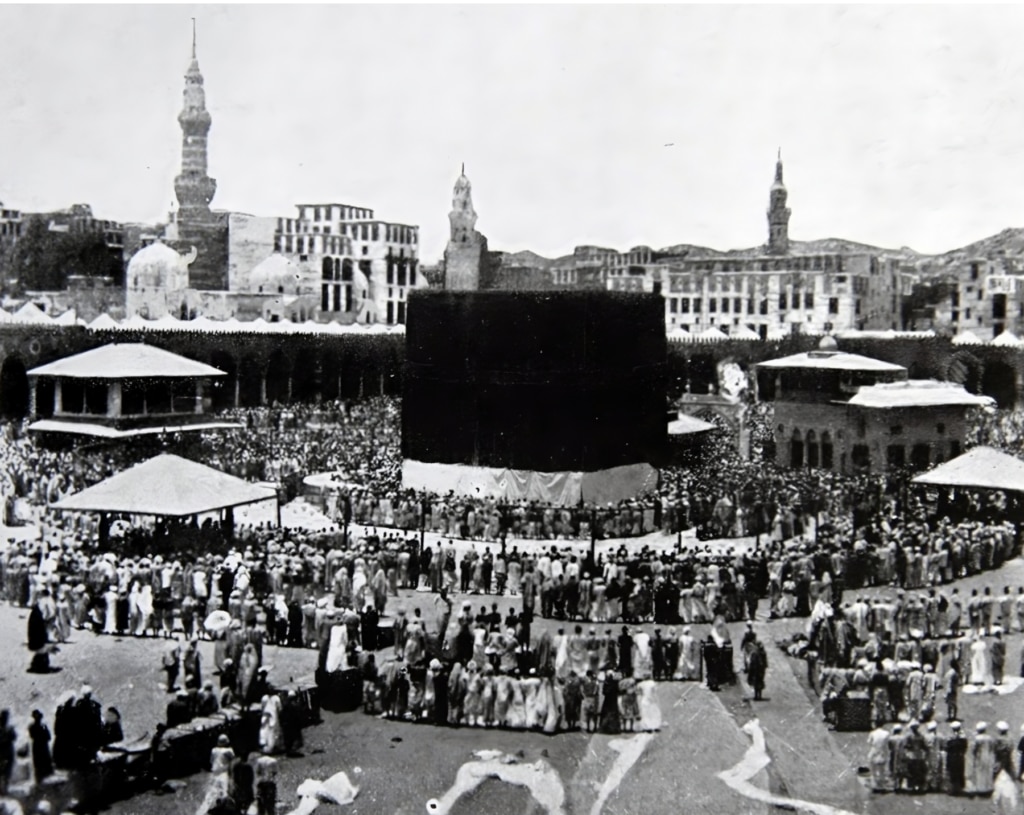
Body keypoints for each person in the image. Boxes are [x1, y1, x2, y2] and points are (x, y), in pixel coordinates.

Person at [27, 711, 53, 784]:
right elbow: (33, 736)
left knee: (42, 763)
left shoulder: (42, 726)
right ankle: (40, 780)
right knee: (39, 763)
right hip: (39, 746)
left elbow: (48, 737)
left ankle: (42, 779)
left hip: (41, 746)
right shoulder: (34, 726)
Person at [971, 722, 995, 796]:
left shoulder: (977, 738)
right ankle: (987, 787)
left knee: (980, 771)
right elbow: (992, 747)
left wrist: (974, 755)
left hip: (980, 755)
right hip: (988, 755)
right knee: (987, 771)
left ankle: (980, 788)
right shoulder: (989, 738)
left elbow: (974, 749)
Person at [944, 721, 968, 795]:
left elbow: (947, 747)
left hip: (952, 757)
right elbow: (965, 747)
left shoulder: (950, 738)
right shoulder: (962, 738)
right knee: (960, 771)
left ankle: (953, 789)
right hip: (960, 756)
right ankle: (959, 788)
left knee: (952, 772)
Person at [747, 636, 767, 701]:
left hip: (756, 670)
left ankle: (756, 696)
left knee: (756, 683)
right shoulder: (762, 653)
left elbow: (752, 662)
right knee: (759, 682)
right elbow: (765, 662)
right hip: (760, 670)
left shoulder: (755, 653)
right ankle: (759, 696)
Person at [0, 710, 15, 796]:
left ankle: (5, 788)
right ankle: (2, 789)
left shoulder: (10, 728)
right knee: (2, 771)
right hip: (2, 752)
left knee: (7, 772)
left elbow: (14, 737)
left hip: (9, 752)